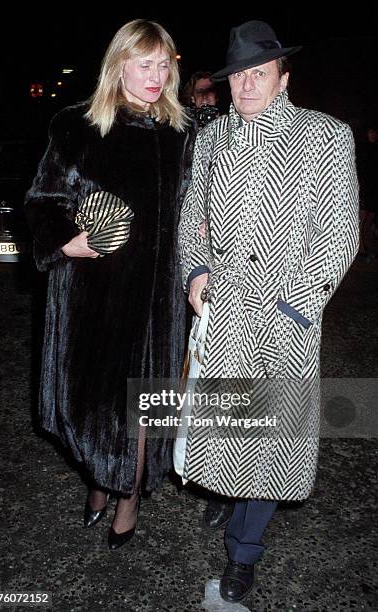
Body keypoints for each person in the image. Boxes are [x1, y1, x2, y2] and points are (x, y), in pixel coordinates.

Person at [179, 20, 359, 603]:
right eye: (238, 77)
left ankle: (244, 553)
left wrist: (296, 303)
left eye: (260, 74)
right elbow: (191, 221)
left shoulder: (326, 138)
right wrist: (197, 271)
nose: (247, 86)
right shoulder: (211, 140)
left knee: (270, 442)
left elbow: (341, 236)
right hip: (225, 311)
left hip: (286, 318)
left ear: (283, 78)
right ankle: (229, 496)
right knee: (228, 427)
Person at [25, 19, 195, 550]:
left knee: (145, 406)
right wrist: (64, 241)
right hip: (93, 297)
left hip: (160, 299)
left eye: (164, 64)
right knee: (91, 407)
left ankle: (128, 497)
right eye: (145, 64)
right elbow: (41, 202)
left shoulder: (184, 132)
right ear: (118, 64)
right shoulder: (76, 126)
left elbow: (203, 211)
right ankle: (101, 479)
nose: (156, 75)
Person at [357, 122, 378, 258]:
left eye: (374, 132)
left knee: (369, 220)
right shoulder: (362, 148)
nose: (372, 135)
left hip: (373, 189)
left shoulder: (375, 149)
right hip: (364, 188)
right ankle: (361, 248)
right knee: (362, 220)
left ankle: (366, 247)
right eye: (370, 132)